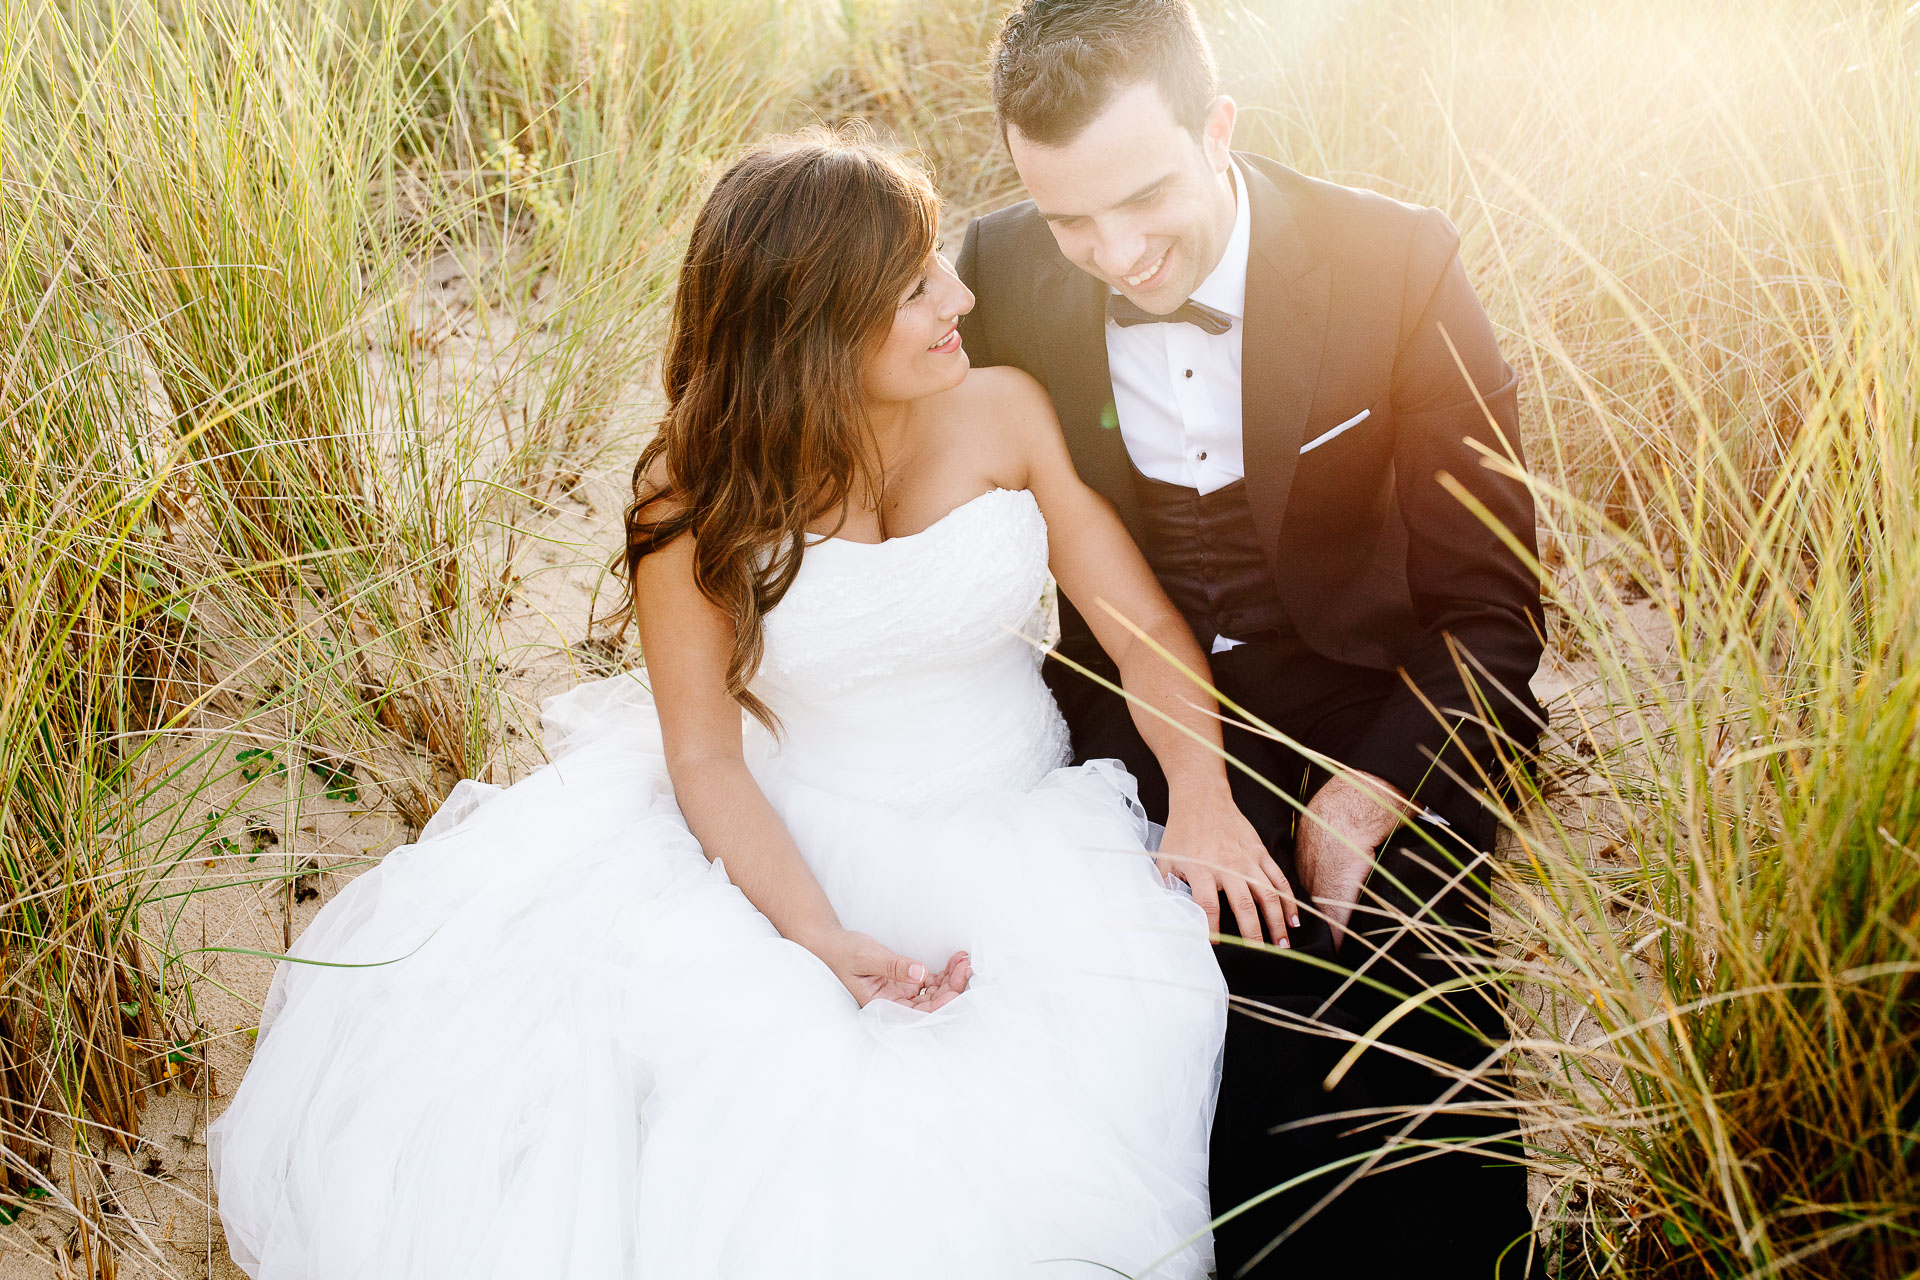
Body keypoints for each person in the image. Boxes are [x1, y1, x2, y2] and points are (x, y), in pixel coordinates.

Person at [206, 126, 1242, 1279]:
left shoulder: (1004, 408)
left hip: (1032, 835)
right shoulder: (693, 491)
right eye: (913, 288)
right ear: (815, 323)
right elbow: (705, 756)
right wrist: (818, 935)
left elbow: (1139, 630)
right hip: (790, 840)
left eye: (940, 262)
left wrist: (1201, 791)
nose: (958, 295)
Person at [954, 2, 1548, 1276]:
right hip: (1133, 719)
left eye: (1145, 197)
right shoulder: (998, 273)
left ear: (1218, 126)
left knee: (1402, 1061)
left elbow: (1492, 612)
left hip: (1370, 708)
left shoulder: (1398, 262)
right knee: (1194, 1048)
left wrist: (1371, 793)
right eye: (1070, 220)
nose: (1114, 253)